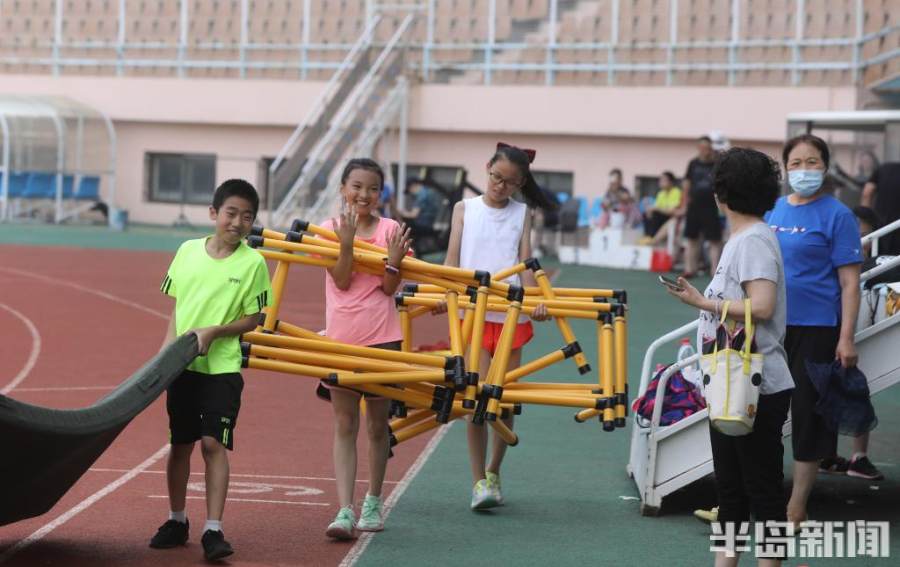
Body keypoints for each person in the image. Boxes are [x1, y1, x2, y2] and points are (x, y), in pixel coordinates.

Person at [666, 147, 792, 567]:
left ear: (721, 193)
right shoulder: (745, 237)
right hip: (731, 382)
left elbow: (763, 305)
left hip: (754, 383)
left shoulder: (752, 239)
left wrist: (704, 302)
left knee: (760, 490)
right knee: (733, 488)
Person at [150, 179, 272, 561]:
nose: (238, 222)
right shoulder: (187, 251)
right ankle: (176, 520)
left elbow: (255, 318)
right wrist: (163, 358)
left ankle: (213, 529)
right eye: (231, 213)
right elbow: (177, 309)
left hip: (222, 369)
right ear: (213, 213)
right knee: (180, 444)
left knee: (212, 443)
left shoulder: (253, 263)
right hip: (182, 368)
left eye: (247, 217)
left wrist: (216, 331)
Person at [438, 142, 553, 510]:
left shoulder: (522, 214)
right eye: (495, 177)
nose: (499, 186)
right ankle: (476, 482)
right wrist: (445, 292)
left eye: (508, 182)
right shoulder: (464, 208)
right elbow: (452, 259)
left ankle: (493, 471)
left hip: (509, 316)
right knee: (478, 397)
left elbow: (526, 263)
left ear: (520, 185)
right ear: (486, 169)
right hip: (472, 315)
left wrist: (537, 301)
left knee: (504, 400)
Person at [766, 134, 865, 526]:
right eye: (795, 163)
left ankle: (797, 503)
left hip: (819, 330)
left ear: (824, 167)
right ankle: (765, 491)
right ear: (785, 169)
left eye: (812, 162)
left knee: (808, 416)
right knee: (764, 414)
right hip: (771, 327)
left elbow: (850, 284)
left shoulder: (837, 215)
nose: (803, 171)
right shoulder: (772, 210)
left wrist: (846, 337)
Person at [319, 158, 412, 539]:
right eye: (356, 186)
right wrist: (346, 245)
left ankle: (373, 500)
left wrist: (392, 263)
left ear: (380, 194)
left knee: (376, 426)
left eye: (372, 188)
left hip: (382, 337)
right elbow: (341, 281)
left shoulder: (391, 229)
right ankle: (344, 508)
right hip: (340, 338)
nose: (364, 195)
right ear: (343, 188)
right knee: (344, 423)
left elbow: (390, 289)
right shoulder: (328, 229)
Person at [681, 135, 723, 278]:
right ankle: (689, 269)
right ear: (698, 148)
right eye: (702, 148)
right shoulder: (693, 163)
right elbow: (686, 184)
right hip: (694, 206)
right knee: (692, 239)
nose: (705, 150)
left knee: (714, 240)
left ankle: (714, 271)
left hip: (711, 207)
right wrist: (685, 204)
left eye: (707, 148)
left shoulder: (716, 164)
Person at [862, 161, 900, 255]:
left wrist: (865, 223)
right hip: (897, 229)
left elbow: (867, 193)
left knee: (877, 264)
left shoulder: (884, 168)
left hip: (879, 229)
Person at [640, 171, 683, 243]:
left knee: (656, 214)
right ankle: (647, 236)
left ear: (671, 182)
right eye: (660, 180)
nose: (660, 182)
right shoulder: (661, 194)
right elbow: (655, 207)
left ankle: (652, 237)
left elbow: (672, 211)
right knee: (647, 213)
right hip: (661, 216)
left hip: (670, 217)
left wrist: (656, 209)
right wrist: (650, 210)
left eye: (664, 180)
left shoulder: (676, 192)